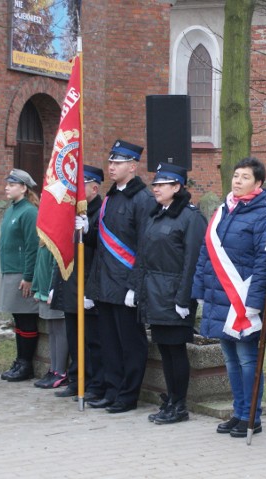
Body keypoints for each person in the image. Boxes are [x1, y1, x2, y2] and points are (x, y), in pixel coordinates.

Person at [192, 157, 266, 437]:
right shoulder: (223, 210)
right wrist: (200, 290)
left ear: (258, 183)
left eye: (245, 177)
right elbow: (206, 253)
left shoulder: (263, 213)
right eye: (235, 175)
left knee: (247, 359)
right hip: (220, 296)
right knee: (229, 358)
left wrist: (254, 302)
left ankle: (252, 415)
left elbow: (263, 262)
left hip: (243, 298)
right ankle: (238, 411)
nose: (237, 181)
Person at [85, 140, 155, 413]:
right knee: (109, 344)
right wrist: (85, 230)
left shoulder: (143, 199)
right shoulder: (111, 197)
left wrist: (134, 287)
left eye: (117, 163)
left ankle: (128, 395)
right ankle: (112, 390)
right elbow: (100, 243)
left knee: (130, 344)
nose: (111, 167)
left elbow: (144, 247)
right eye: (111, 162)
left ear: (133, 166)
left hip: (126, 286)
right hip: (104, 284)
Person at [139, 163, 207, 425]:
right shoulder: (158, 214)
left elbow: (192, 261)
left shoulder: (190, 218)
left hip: (174, 295)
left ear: (177, 187)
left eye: (162, 184)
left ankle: (179, 404)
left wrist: (183, 298)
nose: (155, 188)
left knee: (176, 350)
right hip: (156, 293)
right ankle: (172, 398)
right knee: (165, 350)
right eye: (154, 184)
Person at [51, 165, 105, 399]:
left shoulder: (101, 212)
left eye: (80, 186)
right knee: (73, 336)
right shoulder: (71, 213)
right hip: (70, 283)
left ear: (94, 188)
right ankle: (76, 378)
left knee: (92, 339)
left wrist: (92, 290)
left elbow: (101, 255)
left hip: (89, 285)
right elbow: (62, 251)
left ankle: (94, 382)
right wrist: (55, 284)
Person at [0, 168, 40, 382]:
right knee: (18, 319)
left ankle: (26, 363)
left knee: (27, 319)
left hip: (22, 274)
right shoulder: (12, 209)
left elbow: (32, 246)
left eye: (12, 184)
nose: (7, 187)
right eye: (7, 184)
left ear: (23, 188)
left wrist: (29, 275)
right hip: (11, 271)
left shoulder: (28, 212)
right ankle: (20, 360)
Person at [31, 242, 67, 388]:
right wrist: (36, 288)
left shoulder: (56, 243)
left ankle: (60, 371)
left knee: (60, 332)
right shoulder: (42, 245)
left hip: (54, 295)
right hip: (44, 293)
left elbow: (56, 269)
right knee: (51, 331)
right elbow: (38, 267)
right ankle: (53, 369)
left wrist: (53, 289)